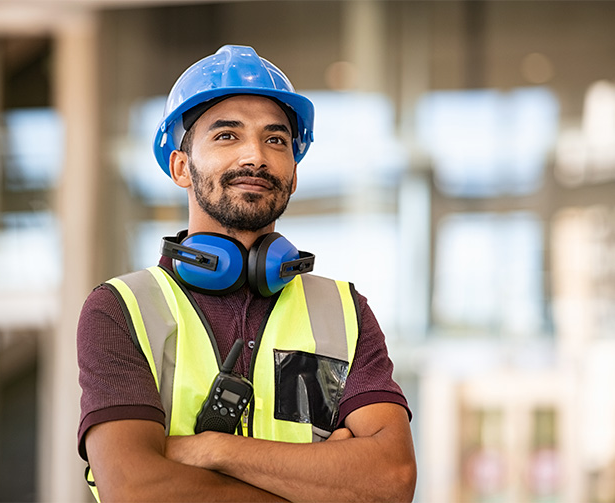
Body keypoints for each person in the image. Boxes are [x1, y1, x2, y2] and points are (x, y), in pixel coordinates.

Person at [77, 45, 416, 502]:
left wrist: (214, 449)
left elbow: (391, 479)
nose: (254, 156)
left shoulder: (345, 312)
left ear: (294, 174)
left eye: (275, 140)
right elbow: (136, 489)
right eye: (226, 136)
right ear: (182, 168)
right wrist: (323, 485)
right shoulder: (121, 309)